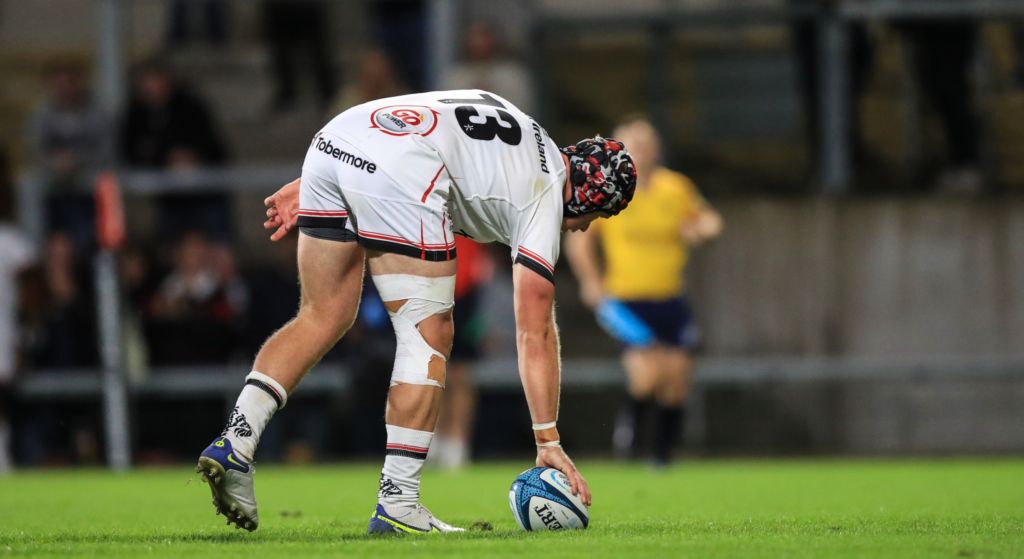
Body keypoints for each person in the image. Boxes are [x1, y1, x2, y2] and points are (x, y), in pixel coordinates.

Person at [196, 89, 636, 533]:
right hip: (399, 170)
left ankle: (236, 441)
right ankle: (399, 502)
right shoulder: (545, 194)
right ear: (589, 196)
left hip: (337, 141)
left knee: (322, 314)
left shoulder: (519, 121)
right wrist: (547, 439)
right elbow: (534, 331)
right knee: (427, 334)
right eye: (598, 216)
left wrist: (331, 172)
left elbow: (426, 113)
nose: (585, 228)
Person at [565, 117, 722, 467]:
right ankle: (629, 443)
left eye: (646, 143)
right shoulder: (609, 187)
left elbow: (709, 220)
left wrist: (702, 231)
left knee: (677, 377)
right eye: (633, 144)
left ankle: (662, 457)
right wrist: (591, 281)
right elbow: (579, 240)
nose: (641, 150)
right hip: (625, 299)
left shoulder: (675, 187)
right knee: (647, 374)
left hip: (669, 296)